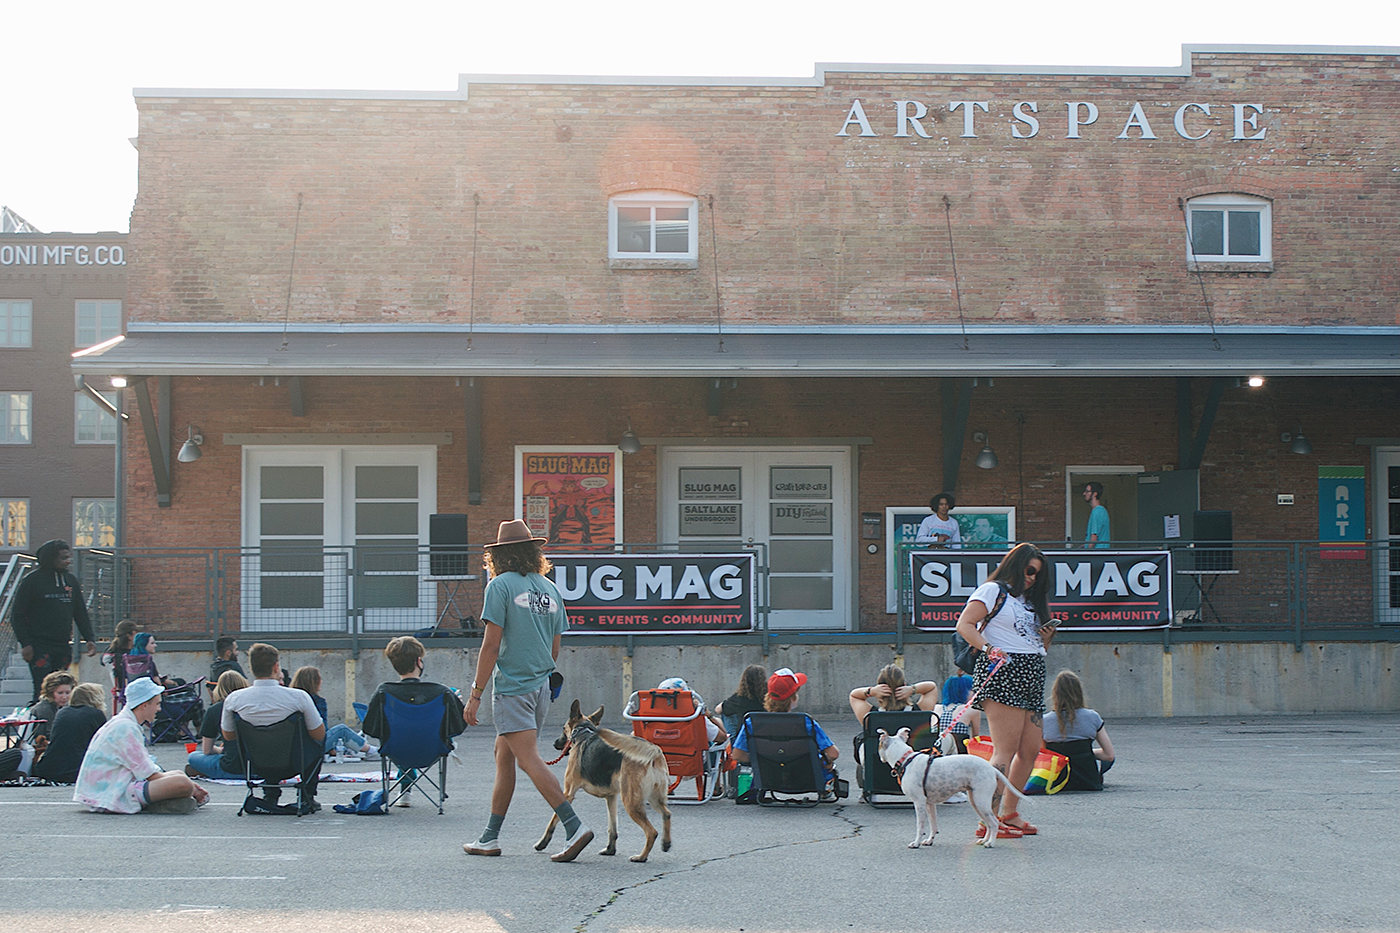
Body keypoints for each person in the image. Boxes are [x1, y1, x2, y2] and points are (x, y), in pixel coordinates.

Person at [462, 519, 590, 862]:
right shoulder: (549, 589)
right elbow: (555, 644)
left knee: (528, 758)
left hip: (513, 686)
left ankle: (574, 826)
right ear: (534, 552)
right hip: (539, 685)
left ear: (498, 556)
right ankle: (489, 837)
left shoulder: (499, 586)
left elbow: (491, 646)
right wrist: (540, 673)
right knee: (504, 756)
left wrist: (475, 694)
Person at [954, 542, 1057, 839]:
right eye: (1029, 571)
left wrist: (1046, 640)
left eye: (1038, 575)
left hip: (1032, 671)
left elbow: (1032, 644)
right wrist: (989, 648)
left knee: (1030, 750)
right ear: (1015, 565)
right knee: (1005, 751)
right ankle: (988, 820)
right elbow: (965, 624)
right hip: (1004, 671)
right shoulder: (993, 590)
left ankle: (1008, 813)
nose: (1032, 578)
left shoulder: (1030, 600)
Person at [74, 677, 209, 814]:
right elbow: (149, 774)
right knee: (182, 783)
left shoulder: (123, 723)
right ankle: (157, 803)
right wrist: (190, 786)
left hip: (111, 787)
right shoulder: (125, 728)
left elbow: (146, 770)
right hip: (111, 793)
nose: (159, 709)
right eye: (157, 704)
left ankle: (166, 800)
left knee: (180, 775)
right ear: (144, 705)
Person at [220, 643, 326, 811]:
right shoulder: (298, 697)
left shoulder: (234, 699)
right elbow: (319, 735)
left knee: (263, 741)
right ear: (276, 667)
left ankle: (270, 794)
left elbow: (229, 736)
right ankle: (307, 794)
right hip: (294, 763)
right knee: (318, 739)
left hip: (255, 764)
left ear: (251, 668)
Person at [361, 638, 465, 805]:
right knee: (421, 733)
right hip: (434, 749)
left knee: (401, 734)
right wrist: (457, 705)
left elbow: (370, 728)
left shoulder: (384, 692)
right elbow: (457, 726)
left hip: (395, 750)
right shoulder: (442, 691)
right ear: (419, 661)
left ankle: (405, 790)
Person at [11, 540, 97, 702]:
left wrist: (89, 637)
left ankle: (59, 721)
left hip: (63, 645)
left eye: (68, 557)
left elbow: (79, 612)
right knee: (43, 688)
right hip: (39, 645)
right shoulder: (32, 581)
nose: (68, 561)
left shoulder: (70, 580)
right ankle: (40, 722)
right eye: (63, 558)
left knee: (63, 688)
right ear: (51, 559)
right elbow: (17, 614)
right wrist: (25, 642)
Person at [730, 668, 839, 792]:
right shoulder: (805, 722)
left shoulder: (752, 722)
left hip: (769, 779)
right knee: (823, 762)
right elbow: (833, 754)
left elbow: (738, 755)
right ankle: (825, 791)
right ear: (793, 698)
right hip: (806, 779)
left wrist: (761, 761)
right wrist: (826, 761)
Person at [1042, 670, 1116, 792]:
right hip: (1088, 779)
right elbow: (1109, 755)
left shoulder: (1044, 721)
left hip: (1056, 781)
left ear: (1055, 694)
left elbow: (1043, 754)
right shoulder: (1092, 717)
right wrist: (1086, 752)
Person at [291, 666, 379, 761]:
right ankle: (370, 751)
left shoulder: (291, 699)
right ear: (314, 682)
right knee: (342, 730)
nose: (322, 681)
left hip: (294, 747)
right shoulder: (318, 701)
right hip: (313, 746)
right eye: (320, 679)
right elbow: (321, 730)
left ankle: (355, 749)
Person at [32, 683, 108, 783]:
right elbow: (103, 744)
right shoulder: (96, 714)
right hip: (77, 770)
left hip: (50, 768)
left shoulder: (63, 712)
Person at [185, 670, 252, 781]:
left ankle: (205, 770)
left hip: (232, 769)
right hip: (260, 768)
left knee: (194, 756)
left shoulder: (214, 710)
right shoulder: (253, 707)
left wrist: (221, 750)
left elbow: (207, 750)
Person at [626, 677, 727, 746]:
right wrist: (709, 716)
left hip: (655, 763)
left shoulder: (649, 719)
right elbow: (723, 738)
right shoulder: (694, 717)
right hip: (691, 762)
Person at [847, 663, 938, 726]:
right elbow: (931, 687)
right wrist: (912, 689)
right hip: (914, 754)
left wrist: (871, 691)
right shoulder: (920, 712)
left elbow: (854, 695)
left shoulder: (870, 716)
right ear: (904, 685)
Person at [716, 664, 767, 738]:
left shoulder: (738, 698)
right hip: (765, 736)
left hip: (745, 739)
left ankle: (731, 741)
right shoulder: (769, 698)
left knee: (726, 713)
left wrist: (724, 704)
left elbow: (718, 710)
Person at [937, 670, 981, 753]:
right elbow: (975, 738)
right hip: (960, 754)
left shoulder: (936, 708)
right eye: (971, 689)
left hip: (938, 754)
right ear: (963, 691)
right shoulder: (972, 709)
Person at [27, 671, 76, 741]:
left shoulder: (63, 707)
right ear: (51, 693)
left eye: (67, 693)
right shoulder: (44, 709)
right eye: (60, 693)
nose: (64, 697)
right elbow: (50, 734)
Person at [102, 620, 137, 711]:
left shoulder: (111, 652)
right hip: (131, 690)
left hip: (120, 690)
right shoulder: (126, 656)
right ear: (130, 636)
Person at [1083, 482, 1111, 548]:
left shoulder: (1097, 511)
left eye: (1087, 491)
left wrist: (1087, 553)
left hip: (1097, 554)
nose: (1084, 493)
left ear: (1095, 494)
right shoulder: (1101, 510)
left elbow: (1094, 537)